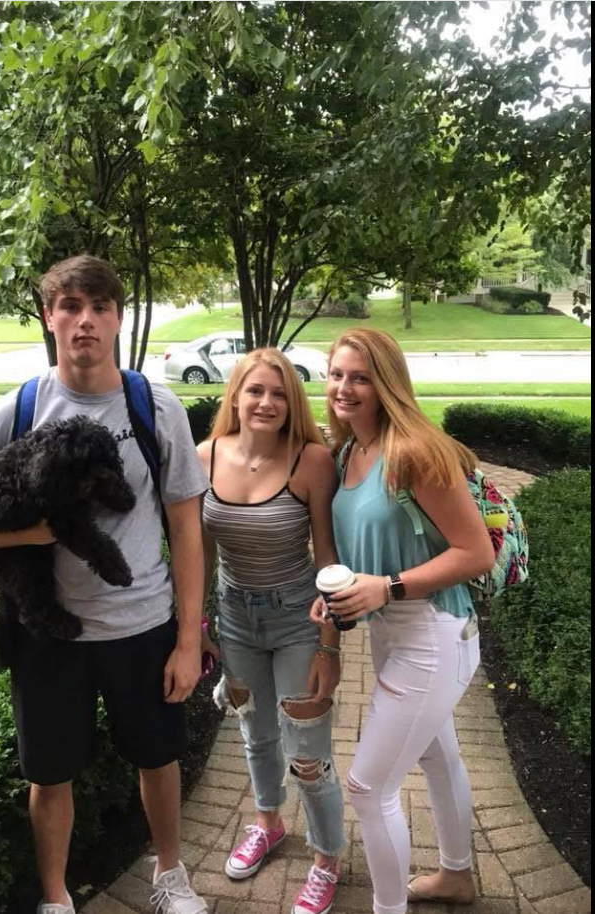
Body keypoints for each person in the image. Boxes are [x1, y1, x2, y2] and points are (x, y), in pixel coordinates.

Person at [0, 255, 210, 914]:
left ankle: (171, 875)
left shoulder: (155, 407)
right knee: (49, 775)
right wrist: (31, 535)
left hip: (142, 625)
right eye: (71, 306)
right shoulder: (17, 410)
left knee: (158, 758)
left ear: (118, 319)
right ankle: (56, 899)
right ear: (49, 316)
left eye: (100, 307)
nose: (86, 321)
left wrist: (189, 639)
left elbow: (186, 529)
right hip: (48, 634)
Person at [311, 328, 495, 914]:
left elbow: (476, 553)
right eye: (337, 375)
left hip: (433, 633)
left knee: (368, 788)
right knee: (439, 757)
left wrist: (385, 586)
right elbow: (368, 544)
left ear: (387, 383)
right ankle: (457, 876)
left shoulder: (414, 451)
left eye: (360, 378)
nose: (344, 388)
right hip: (395, 632)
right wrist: (339, 594)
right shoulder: (349, 452)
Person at [197, 348, 347, 914]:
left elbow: (327, 557)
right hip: (234, 619)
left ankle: (326, 859)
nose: (266, 402)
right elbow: (199, 555)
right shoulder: (204, 456)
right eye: (255, 390)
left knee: (307, 752)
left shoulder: (311, 461)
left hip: (297, 619)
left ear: (293, 402)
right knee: (255, 734)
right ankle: (268, 825)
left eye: (279, 393)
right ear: (234, 396)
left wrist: (330, 645)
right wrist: (198, 626)